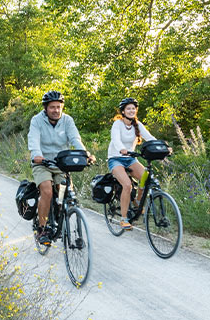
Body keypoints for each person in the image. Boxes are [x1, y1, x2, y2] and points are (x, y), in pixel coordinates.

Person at [27, 90, 94, 245]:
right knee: (47, 190)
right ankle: (42, 229)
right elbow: (34, 139)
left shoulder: (67, 120)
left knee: (64, 191)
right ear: (46, 108)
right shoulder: (37, 120)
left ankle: (59, 213)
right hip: (42, 163)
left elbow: (75, 138)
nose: (56, 110)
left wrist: (85, 153)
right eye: (52, 107)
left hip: (61, 163)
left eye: (58, 107)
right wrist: (36, 155)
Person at [106, 97, 167, 230]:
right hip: (116, 158)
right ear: (123, 111)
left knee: (147, 177)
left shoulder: (138, 125)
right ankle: (123, 219)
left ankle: (138, 201)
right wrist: (122, 149)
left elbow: (150, 138)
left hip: (130, 158)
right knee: (127, 185)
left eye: (133, 108)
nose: (131, 110)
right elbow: (115, 140)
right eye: (128, 108)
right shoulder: (117, 124)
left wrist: (163, 147)